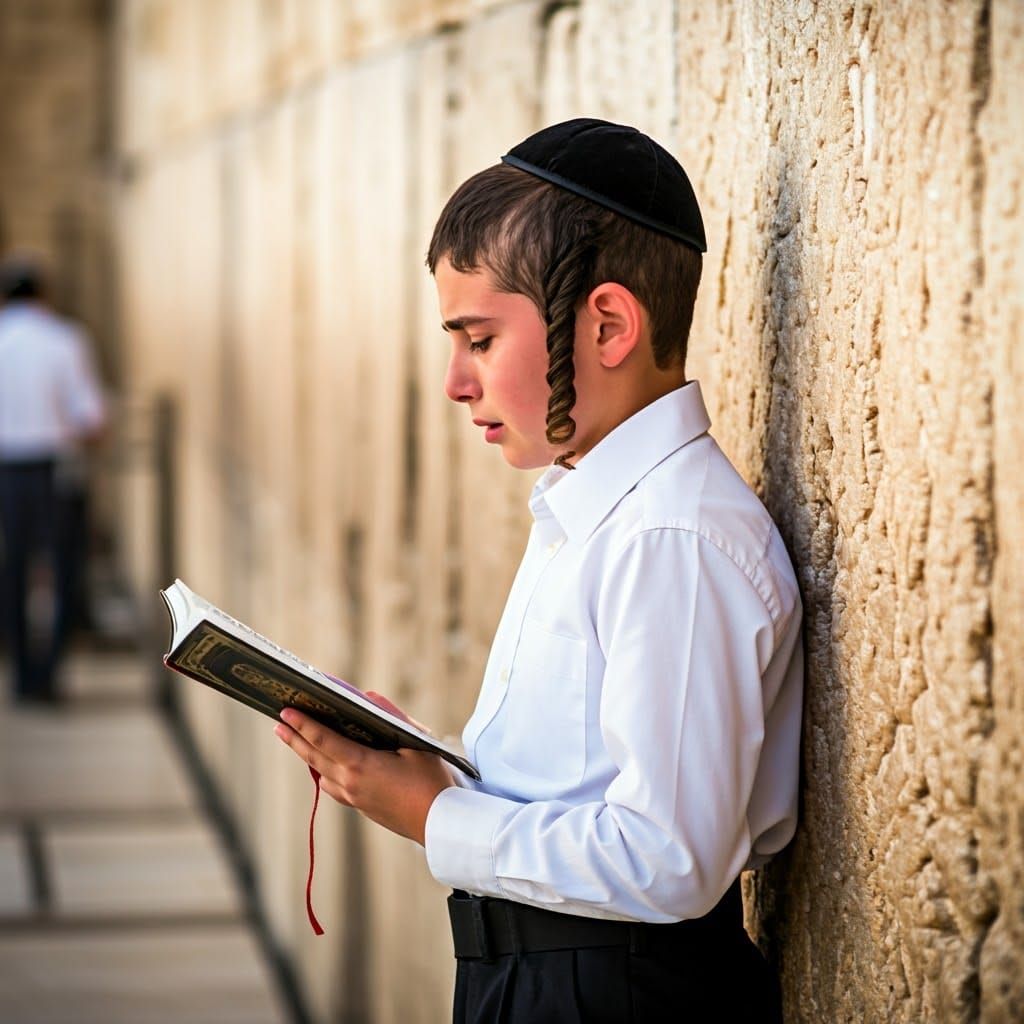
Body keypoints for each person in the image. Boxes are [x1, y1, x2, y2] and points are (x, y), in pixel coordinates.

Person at [274, 118, 803, 1022]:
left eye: (478, 340)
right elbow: (581, 784)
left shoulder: (671, 536)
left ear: (606, 325)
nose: (454, 381)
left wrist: (434, 818)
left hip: (616, 992)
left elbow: (667, 860)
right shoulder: (589, 507)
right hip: (553, 977)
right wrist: (440, 774)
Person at [0, 254, 107, 703]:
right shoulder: (64, 339)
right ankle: (49, 674)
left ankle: (21, 674)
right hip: (54, 470)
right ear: (44, 294)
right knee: (62, 569)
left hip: (6, 469)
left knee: (13, 571)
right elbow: (93, 417)